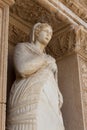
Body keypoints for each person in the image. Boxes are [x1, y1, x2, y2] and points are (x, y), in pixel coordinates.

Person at [7, 22, 65, 130]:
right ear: (37, 32)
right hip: (27, 95)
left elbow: (53, 81)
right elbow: (22, 69)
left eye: (51, 33)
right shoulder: (23, 47)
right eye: (46, 31)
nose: (49, 35)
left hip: (49, 100)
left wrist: (58, 94)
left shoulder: (50, 59)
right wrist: (44, 59)